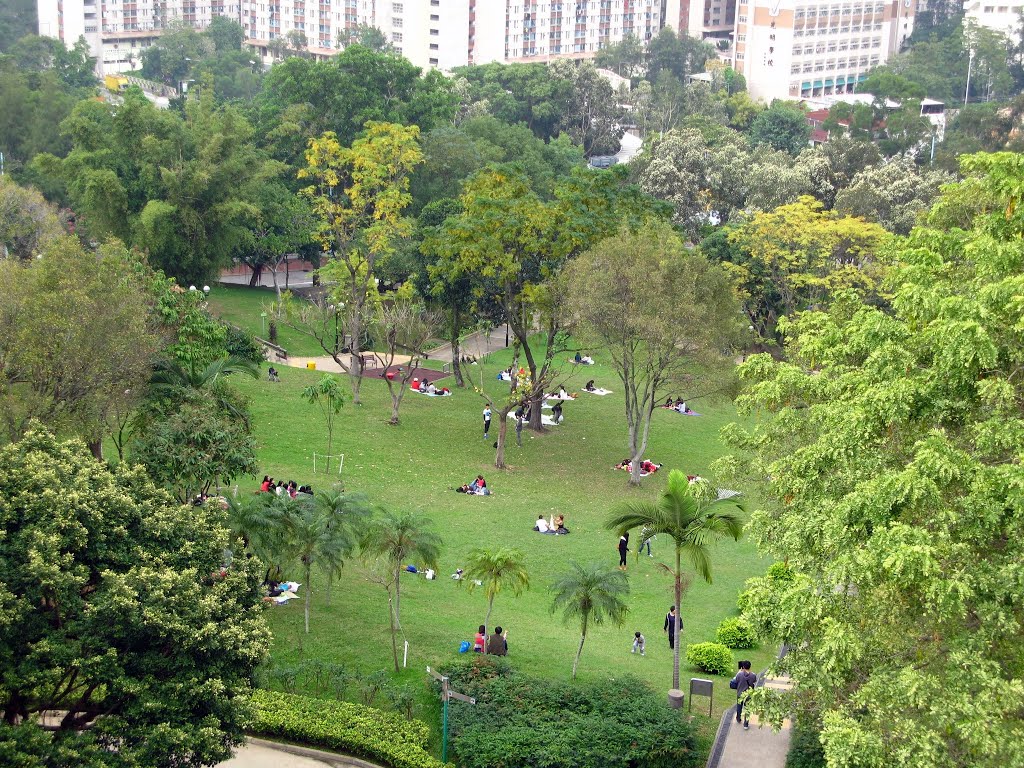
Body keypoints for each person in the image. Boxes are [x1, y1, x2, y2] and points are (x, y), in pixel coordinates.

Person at [732, 660, 758, 730]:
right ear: (750, 666)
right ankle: (746, 724)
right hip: (749, 695)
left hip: (740, 693)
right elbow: (754, 681)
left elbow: (735, 681)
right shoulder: (753, 675)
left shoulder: (739, 674)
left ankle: (738, 718)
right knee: (747, 709)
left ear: (743, 667)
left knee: (739, 706)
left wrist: (739, 671)